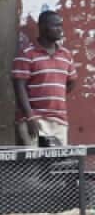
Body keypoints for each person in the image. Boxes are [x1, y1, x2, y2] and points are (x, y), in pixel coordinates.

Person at [13, 10, 77, 146]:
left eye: (61, 25)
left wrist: (52, 94)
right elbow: (19, 87)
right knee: (32, 164)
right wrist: (30, 117)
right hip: (34, 119)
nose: (60, 29)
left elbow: (71, 82)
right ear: (42, 27)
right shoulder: (26, 53)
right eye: (56, 25)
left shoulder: (66, 55)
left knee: (57, 164)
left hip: (59, 121)